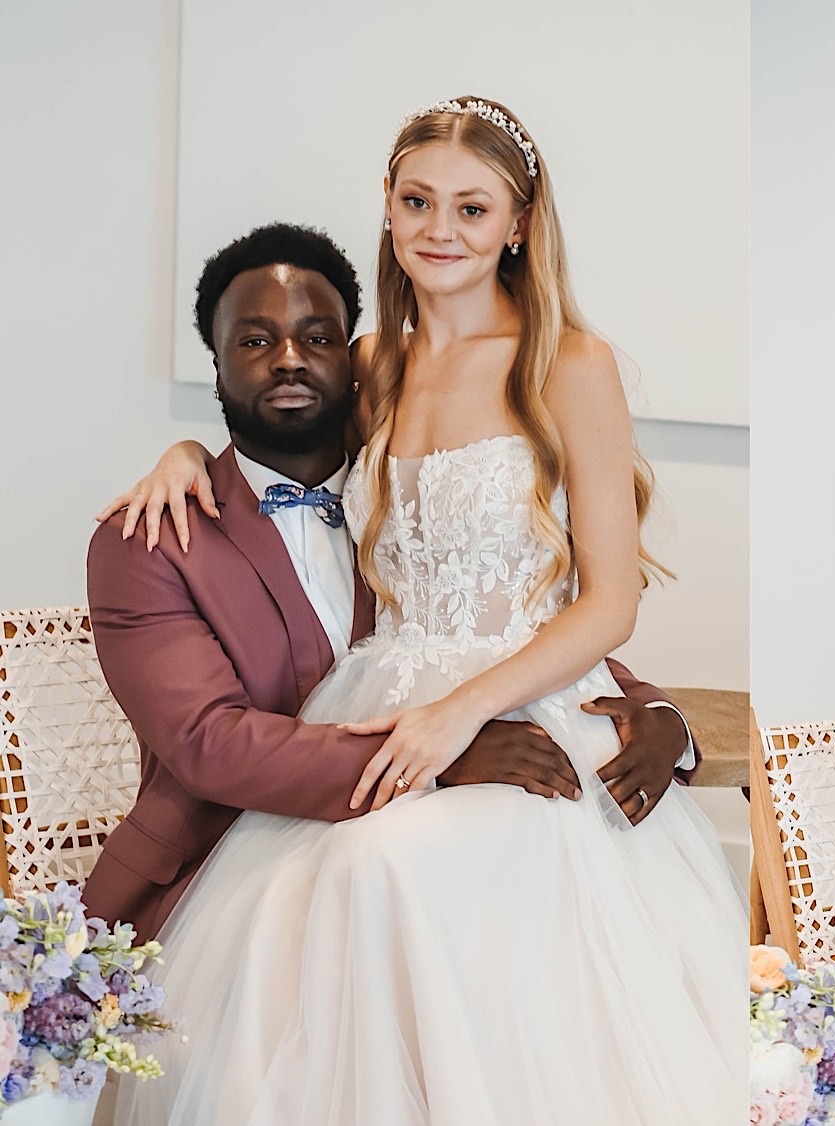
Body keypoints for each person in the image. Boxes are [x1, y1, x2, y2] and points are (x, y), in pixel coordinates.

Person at [102, 99, 745, 1125]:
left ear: (519, 225)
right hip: (378, 702)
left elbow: (611, 601)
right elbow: (267, 451)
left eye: (472, 207)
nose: (440, 229)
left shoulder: (569, 362)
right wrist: (182, 454)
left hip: (523, 716)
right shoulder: (370, 366)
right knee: (300, 907)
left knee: (385, 870)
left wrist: (458, 717)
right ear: (390, 210)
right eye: (416, 201)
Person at [85, 223, 696, 943]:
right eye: (253, 342)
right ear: (215, 368)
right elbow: (210, 745)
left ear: (352, 363)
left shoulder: (394, 505)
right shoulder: (152, 541)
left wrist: (657, 716)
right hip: (224, 867)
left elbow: (495, 624)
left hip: (434, 841)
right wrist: (439, 761)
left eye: (316, 339)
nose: (288, 360)